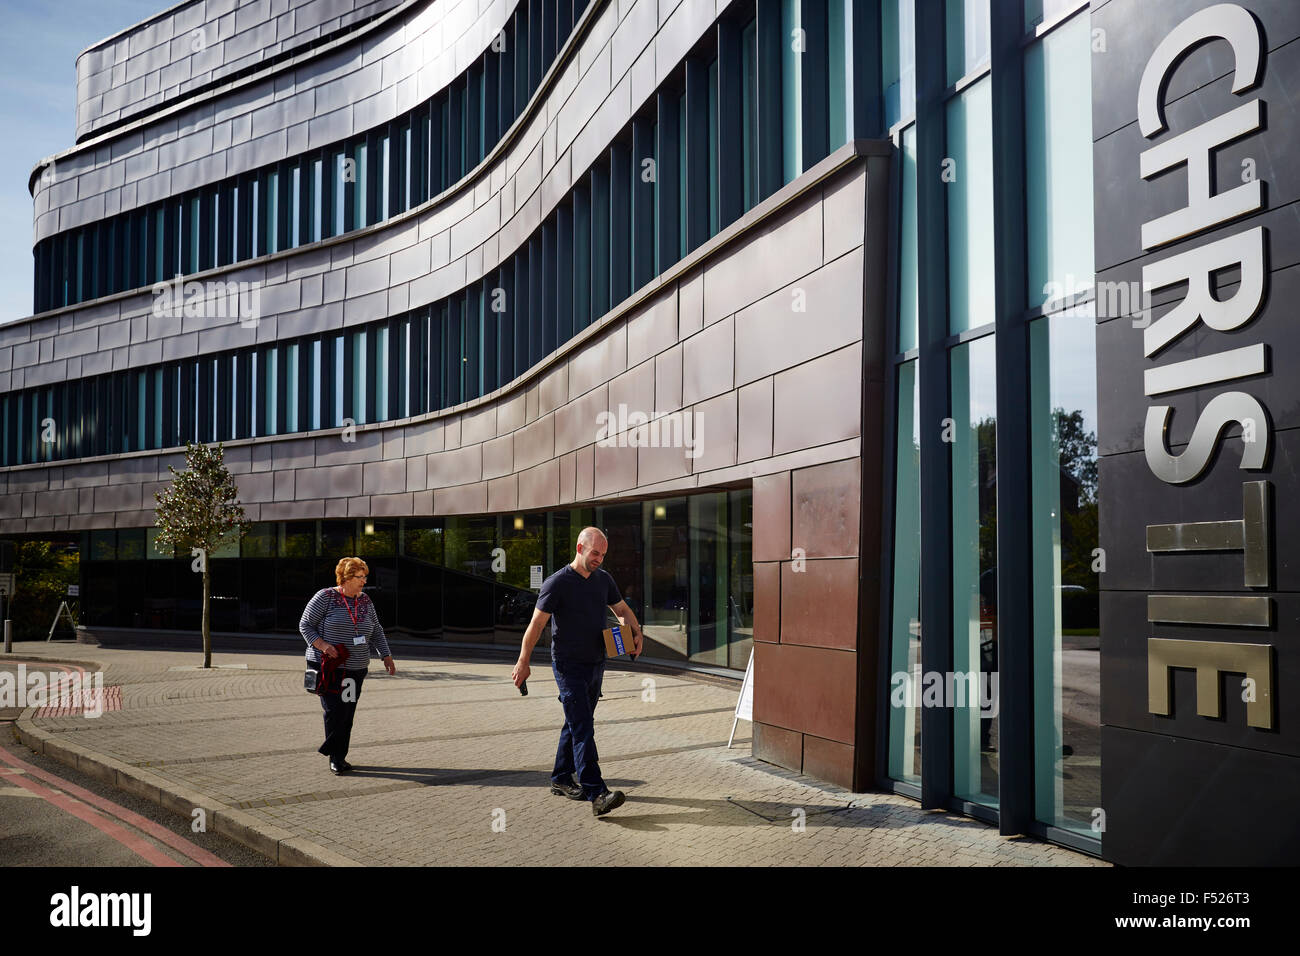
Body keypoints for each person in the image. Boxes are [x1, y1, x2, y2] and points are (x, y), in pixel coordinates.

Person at [511, 527, 642, 816]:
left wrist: (636, 631)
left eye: (603, 555)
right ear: (580, 548)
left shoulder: (603, 579)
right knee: (583, 726)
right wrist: (523, 661)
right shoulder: (556, 583)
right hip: (568, 665)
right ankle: (597, 793)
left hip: (596, 662)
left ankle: (560, 777)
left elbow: (621, 609)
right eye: (595, 553)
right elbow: (536, 625)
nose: (599, 559)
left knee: (577, 721)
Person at [299, 557, 397, 774]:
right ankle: (335, 757)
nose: (363, 581)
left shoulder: (365, 600)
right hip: (329, 667)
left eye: (365, 577)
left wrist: (386, 655)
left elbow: (377, 630)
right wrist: (324, 645)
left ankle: (339, 754)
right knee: (334, 711)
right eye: (359, 577)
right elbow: (305, 625)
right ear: (345, 578)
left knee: (347, 711)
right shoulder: (325, 597)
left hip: (355, 668)